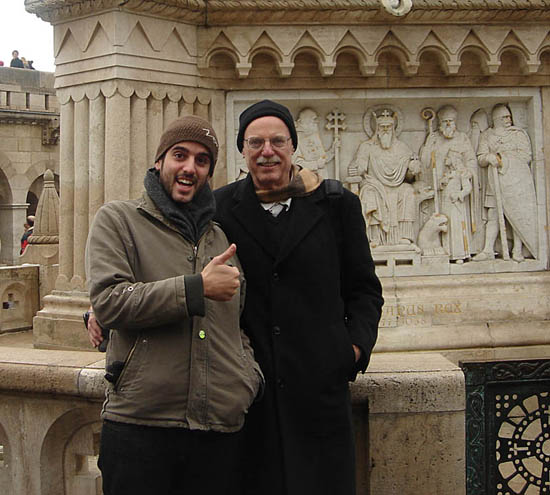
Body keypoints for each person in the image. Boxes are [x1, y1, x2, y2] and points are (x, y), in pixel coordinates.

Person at [85, 115, 263, 495]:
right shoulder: (118, 220)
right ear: (159, 161)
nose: (189, 167)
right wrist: (196, 288)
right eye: (179, 155)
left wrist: (246, 379)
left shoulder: (220, 238)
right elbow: (109, 301)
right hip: (141, 427)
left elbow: (237, 324)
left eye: (202, 161)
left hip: (219, 428)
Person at [214, 100, 384, 495]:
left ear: (293, 146)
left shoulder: (336, 204)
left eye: (277, 140)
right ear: (243, 149)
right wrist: (100, 310)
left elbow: (364, 289)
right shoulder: (220, 207)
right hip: (250, 393)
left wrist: (353, 349)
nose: (267, 151)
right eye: (255, 142)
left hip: (318, 392)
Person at [473, 104, 537, 262]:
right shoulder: (487, 135)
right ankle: (488, 249)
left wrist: (504, 159)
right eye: (504, 117)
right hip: (494, 182)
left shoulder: (518, 134)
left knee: (516, 214)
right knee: (493, 215)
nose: (509, 120)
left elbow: (526, 156)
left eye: (509, 117)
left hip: (516, 182)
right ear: (496, 119)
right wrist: (488, 157)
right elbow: (480, 157)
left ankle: (517, 249)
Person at [348, 109, 421, 247]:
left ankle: (405, 237)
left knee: (408, 191)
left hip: (397, 187)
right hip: (374, 185)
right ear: (376, 129)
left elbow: (409, 177)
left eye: (389, 127)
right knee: (369, 193)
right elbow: (360, 167)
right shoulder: (367, 147)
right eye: (382, 127)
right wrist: (355, 169)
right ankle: (374, 237)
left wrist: (413, 169)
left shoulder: (402, 148)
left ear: (394, 128)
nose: (386, 130)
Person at [419, 105, 482, 251]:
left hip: (457, 187)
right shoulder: (434, 137)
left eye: (451, 121)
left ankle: (460, 251)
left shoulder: (462, 138)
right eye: (445, 121)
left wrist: (467, 172)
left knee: (456, 221)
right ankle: (440, 248)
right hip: (439, 188)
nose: (448, 124)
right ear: (440, 124)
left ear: (455, 123)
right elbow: (425, 162)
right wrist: (429, 146)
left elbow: (471, 160)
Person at [294, 107, 335, 179]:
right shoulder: (296, 140)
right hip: (307, 181)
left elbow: (322, 159)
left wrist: (332, 151)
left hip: (322, 179)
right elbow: (297, 164)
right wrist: (316, 164)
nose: (316, 123)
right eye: (314, 120)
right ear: (305, 121)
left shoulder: (314, 137)